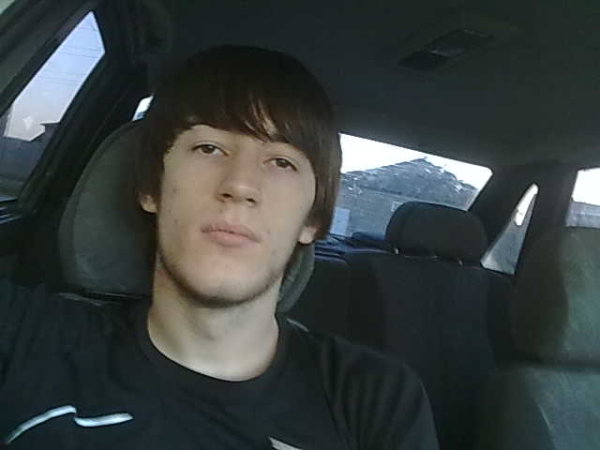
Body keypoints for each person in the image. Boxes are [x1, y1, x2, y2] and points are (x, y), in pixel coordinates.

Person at [0, 45, 439, 449]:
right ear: (152, 188)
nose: (241, 184)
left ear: (313, 220)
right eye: (208, 147)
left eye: (281, 162)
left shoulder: (373, 398)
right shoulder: (29, 338)